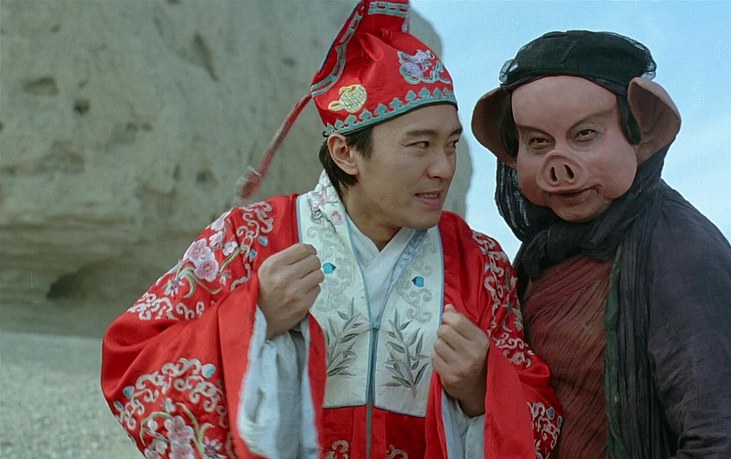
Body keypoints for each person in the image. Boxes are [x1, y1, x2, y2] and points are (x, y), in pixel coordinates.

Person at [100, 1, 562, 458]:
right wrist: (254, 317)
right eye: (420, 144)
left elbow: (542, 414)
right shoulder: (249, 239)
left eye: (451, 144)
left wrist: (482, 388)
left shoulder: (480, 263)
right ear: (345, 153)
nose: (443, 168)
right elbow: (132, 362)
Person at [471, 30, 731, 458]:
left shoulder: (678, 249)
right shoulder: (545, 252)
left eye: (585, 135)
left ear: (640, 134)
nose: (559, 167)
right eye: (538, 142)